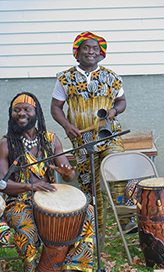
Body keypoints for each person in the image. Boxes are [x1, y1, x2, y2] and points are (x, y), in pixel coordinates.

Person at [0, 92, 94, 272]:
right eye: (16, 110)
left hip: (50, 197)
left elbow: (67, 174)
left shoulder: (51, 139)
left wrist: (68, 172)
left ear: (36, 112)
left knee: (88, 211)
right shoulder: (6, 144)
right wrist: (30, 186)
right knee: (27, 231)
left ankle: (71, 266)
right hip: (19, 202)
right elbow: (2, 184)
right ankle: (32, 270)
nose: (21, 113)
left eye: (26, 109)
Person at [51, 31, 126, 230]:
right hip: (82, 141)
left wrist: (113, 111)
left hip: (109, 135)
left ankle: (126, 219)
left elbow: (121, 101)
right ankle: (95, 232)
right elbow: (55, 107)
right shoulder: (65, 79)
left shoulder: (112, 77)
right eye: (86, 47)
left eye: (95, 48)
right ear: (77, 52)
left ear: (101, 53)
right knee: (90, 188)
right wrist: (67, 126)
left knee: (116, 167)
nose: (91, 52)